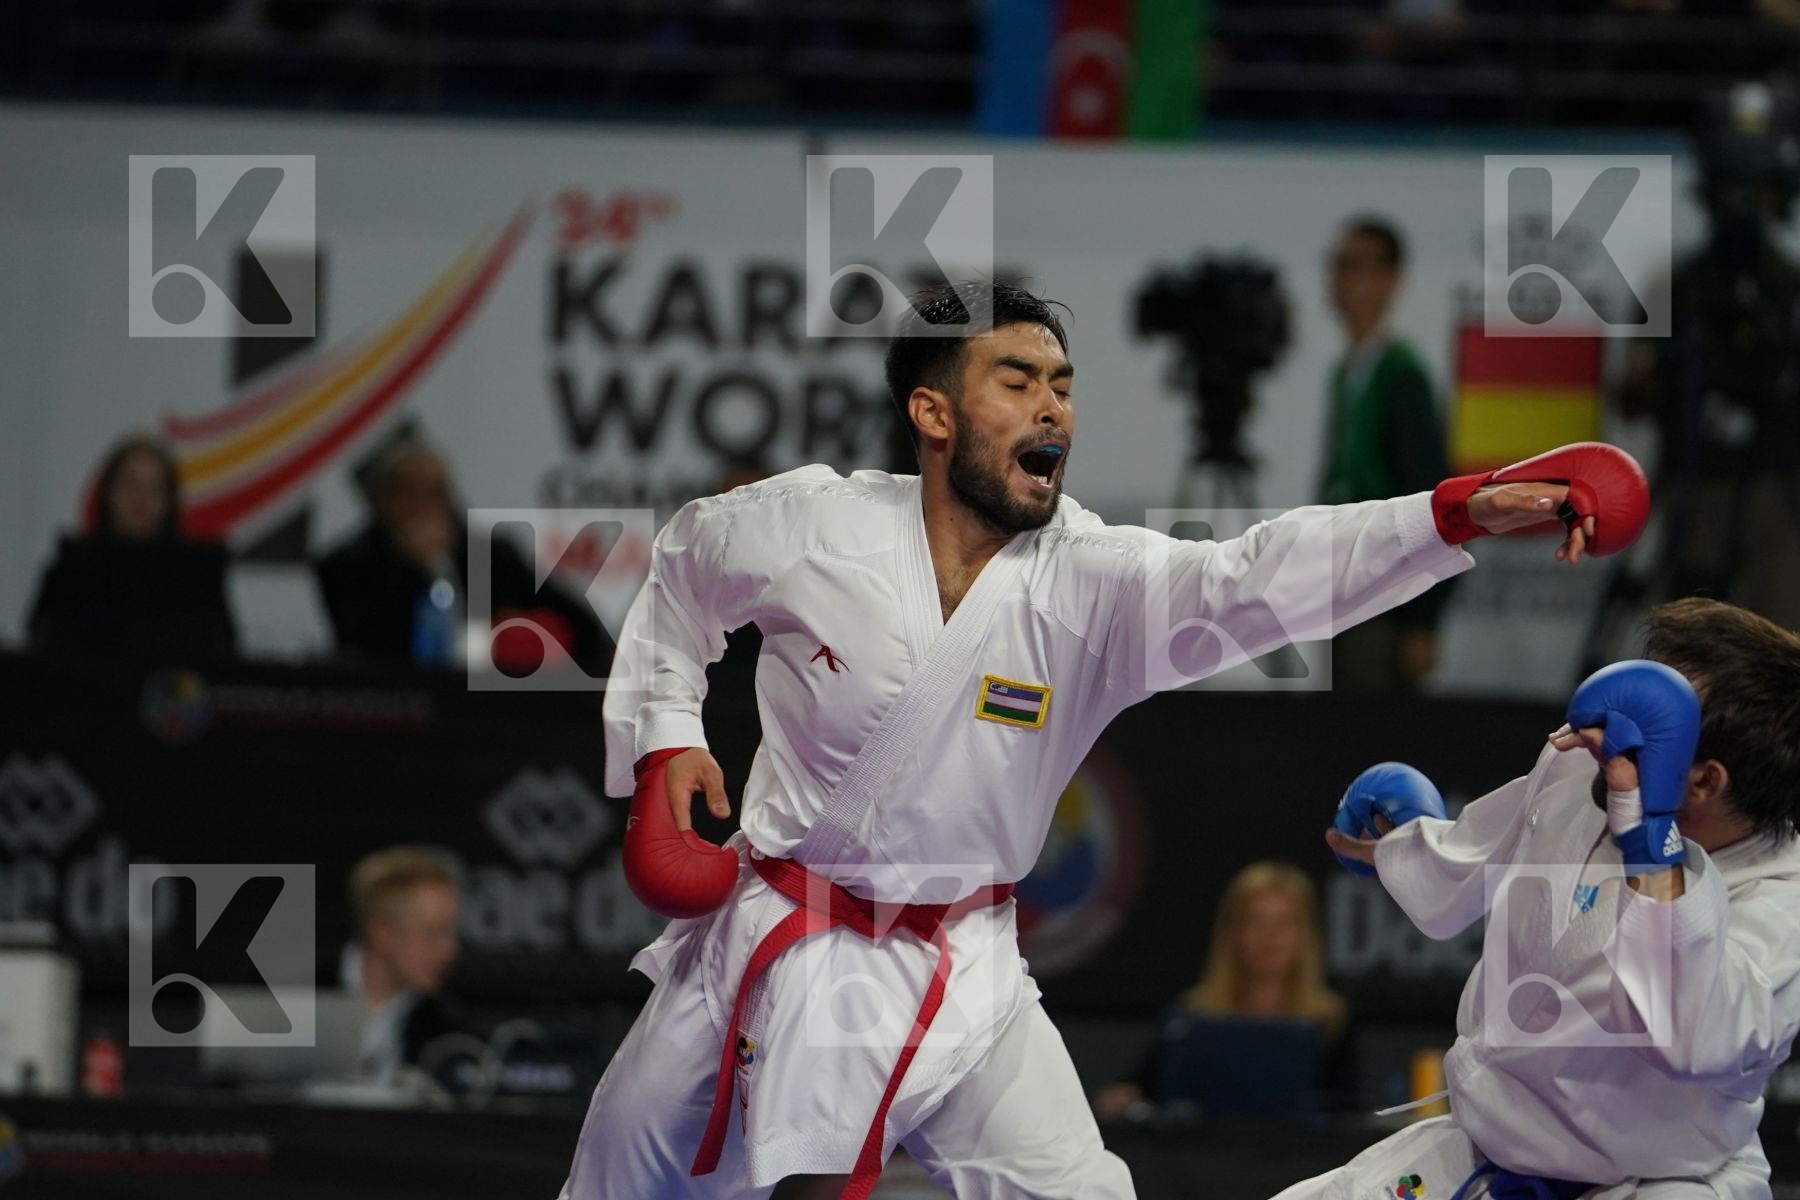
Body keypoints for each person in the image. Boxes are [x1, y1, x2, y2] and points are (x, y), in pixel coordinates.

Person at [564, 280, 1617, 1200]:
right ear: (932, 412)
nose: (1053, 406)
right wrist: (667, 734)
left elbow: (1260, 578)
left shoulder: (1094, 584)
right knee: (621, 1174)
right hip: (777, 932)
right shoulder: (812, 526)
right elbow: (686, 566)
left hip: (961, 963)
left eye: (1062, 384)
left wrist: (1452, 517)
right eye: (1017, 381)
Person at [1295, 598, 1800, 1199]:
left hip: (1656, 1181)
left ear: (1706, 778)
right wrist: (1402, 843)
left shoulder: (1782, 902)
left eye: (1654, 712)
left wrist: (1652, 848)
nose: (1610, 720)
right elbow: (1482, 852)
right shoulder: (1581, 767)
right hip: (1489, 1143)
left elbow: (1691, 1037)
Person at [314, 438, 607, 669]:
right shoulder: (345, 564)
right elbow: (363, 643)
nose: (424, 506)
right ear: (383, 501)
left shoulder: (492, 556)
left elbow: (585, 628)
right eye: (410, 492)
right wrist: (413, 566)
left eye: (437, 492)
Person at [1093, 860, 1347, 1121]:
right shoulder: (1191, 1018)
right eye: (1256, 921)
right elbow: (1135, 1092)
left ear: (1306, 934)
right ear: (1232, 931)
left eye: (1285, 922)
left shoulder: (1331, 1022)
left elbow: (1348, 1118)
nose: (1270, 936)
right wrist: (1118, 1100)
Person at [1318, 216, 1454, 691]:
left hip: (1385, 590)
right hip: (1343, 581)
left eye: (1356, 265)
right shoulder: (1346, 372)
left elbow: (1430, 492)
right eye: (1337, 264)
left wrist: (1424, 621)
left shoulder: (1401, 375)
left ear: (1390, 280)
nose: (1340, 278)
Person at [26, 433, 238, 660]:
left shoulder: (197, 575)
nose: (141, 497)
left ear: (170, 500)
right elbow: (42, 648)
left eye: (155, 487)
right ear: (108, 492)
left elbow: (220, 655)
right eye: (130, 483)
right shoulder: (72, 566)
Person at [341, 846, 466, 1086]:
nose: (451, 949)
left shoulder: (446, 1029)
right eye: (433, 933)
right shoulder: (293, 996)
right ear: (382, 933)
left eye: (451, 932)